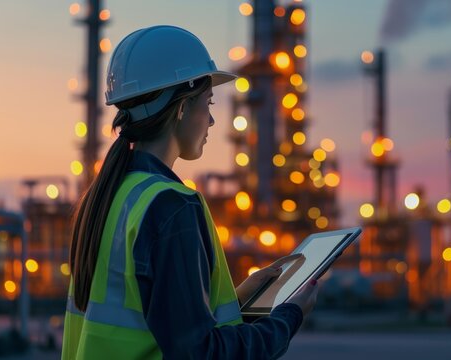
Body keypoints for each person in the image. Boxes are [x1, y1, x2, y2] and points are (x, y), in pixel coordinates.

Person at [61, 25, 319, 359]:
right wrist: (289, 316)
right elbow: (203, 354)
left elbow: (153, 320)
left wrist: (238, 300)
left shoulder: (110, 197)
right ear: (181, 108)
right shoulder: (172, 206)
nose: (211, 121)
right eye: (207, 103)